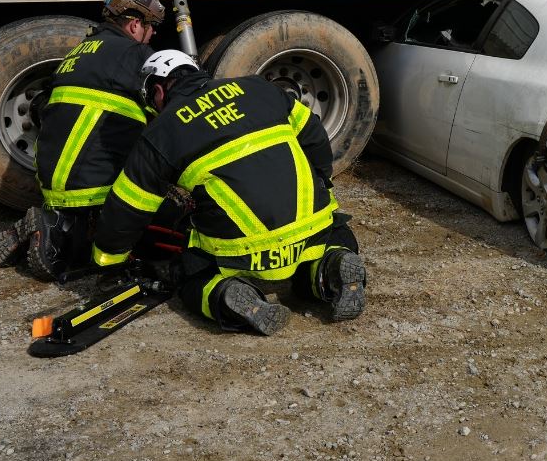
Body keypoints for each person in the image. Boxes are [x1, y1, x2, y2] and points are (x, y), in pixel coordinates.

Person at [91, 49, 367, 335]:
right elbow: (314, 133)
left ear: (158, 90)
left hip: (242, 247)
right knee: (333, 239)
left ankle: (225, 292)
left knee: (189, 274)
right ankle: (331, 267)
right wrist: (321, 181)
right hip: (310, 225)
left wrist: (107, 261)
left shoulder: (161, 132)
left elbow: (126, 207)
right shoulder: (259, 87)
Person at [0, 0, 166, 279]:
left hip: (53, 184)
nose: (153, 35)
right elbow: (168, 117)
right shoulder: (135, 54)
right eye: (152, 27)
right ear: (136, 24)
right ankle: (56, 234)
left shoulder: (78, 54)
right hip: (91, 191)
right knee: (166, 225)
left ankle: (51, 221)